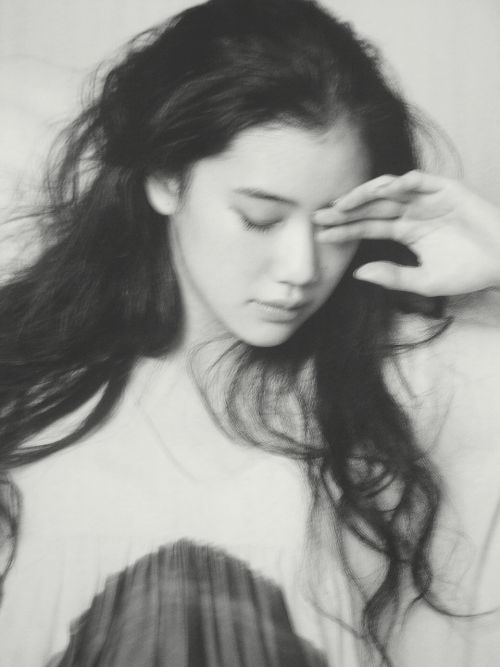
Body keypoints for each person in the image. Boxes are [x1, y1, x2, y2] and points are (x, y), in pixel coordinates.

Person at [0, 0, 499, 665]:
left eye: (335, 224)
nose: (301, 269)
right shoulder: (28, 379)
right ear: (165, 177)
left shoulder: (420, 378)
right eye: (261, 219)